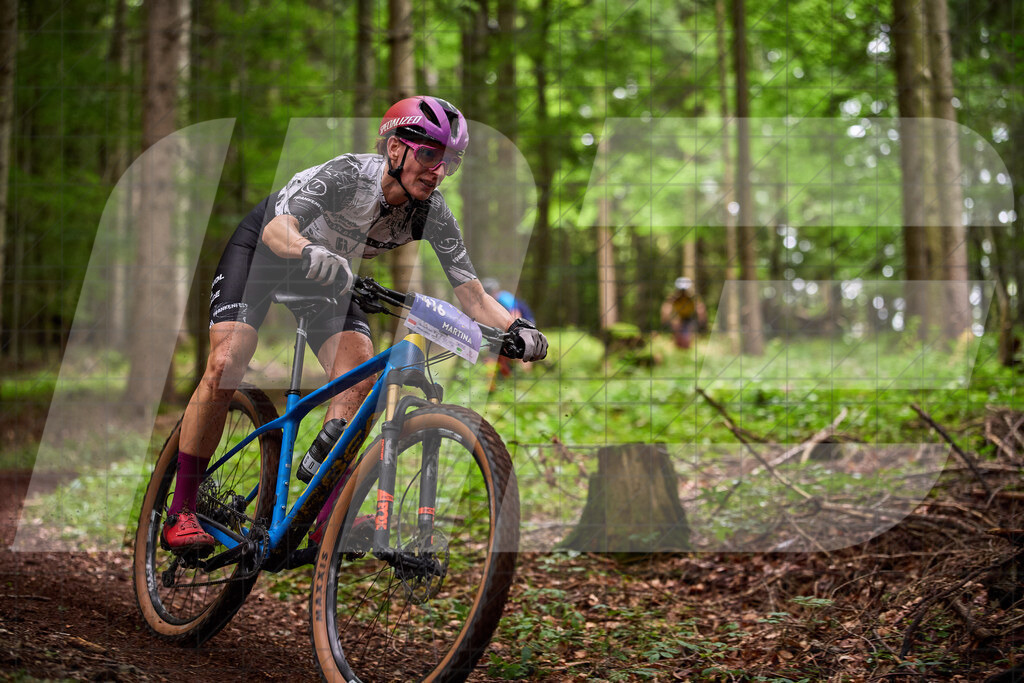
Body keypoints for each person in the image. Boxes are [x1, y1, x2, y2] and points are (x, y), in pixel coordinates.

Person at [161, 96, 549, 553]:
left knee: (360, 378)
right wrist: (308, 250)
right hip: (266, 254)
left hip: (328, 274)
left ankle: (325, 513)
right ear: (395, 148)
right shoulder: (348, 176)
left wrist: (518, 329)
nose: (438, 171)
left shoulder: (432, 212)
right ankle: (181, 509)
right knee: (227, 362)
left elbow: (474, 296)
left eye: (450, 161)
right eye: (428, 154)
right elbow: (277, 228)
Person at [481, 279, 538, 386]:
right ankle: (503, 381)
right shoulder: (486, 303)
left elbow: (516, 316)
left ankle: (526, 380)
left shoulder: (504, 298)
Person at [660, 277, 706, 349]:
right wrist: (665, 320)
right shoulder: (674, 298)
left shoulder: (693, 298)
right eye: (681, 290)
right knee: (676, 325)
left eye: (685, 290)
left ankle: (687, 344)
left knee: (688, 333)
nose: (683, 292)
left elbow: (700, 309)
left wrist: (702, 321)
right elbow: (666, 309)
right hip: (679, 318)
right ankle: (677, 343)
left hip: (689, 318)